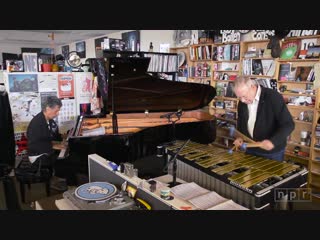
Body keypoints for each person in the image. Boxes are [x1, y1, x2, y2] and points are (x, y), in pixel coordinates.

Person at [232, 75, 294, 161]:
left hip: (272, 152)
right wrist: (240, 138)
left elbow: (288, 124)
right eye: (239, 97)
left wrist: (273, 141)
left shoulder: (273, 97)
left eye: (244, 96)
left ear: (252, 87)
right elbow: (241, 123)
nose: (242, 100)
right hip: (251, 149)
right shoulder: (243, 102)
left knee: (271, 174)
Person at [26, 96, 67, 191]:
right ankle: (55, 180)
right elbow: (35, 145)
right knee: (63, 160)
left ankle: (56, 177)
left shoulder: (47, 120)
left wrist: (62, 138)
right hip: (37, 156)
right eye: (56, 111)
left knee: (63, 153)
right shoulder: (37, 123)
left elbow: (50, 137)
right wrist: (54, 146)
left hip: (43, 150)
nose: (57, 113)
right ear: (48, 108)